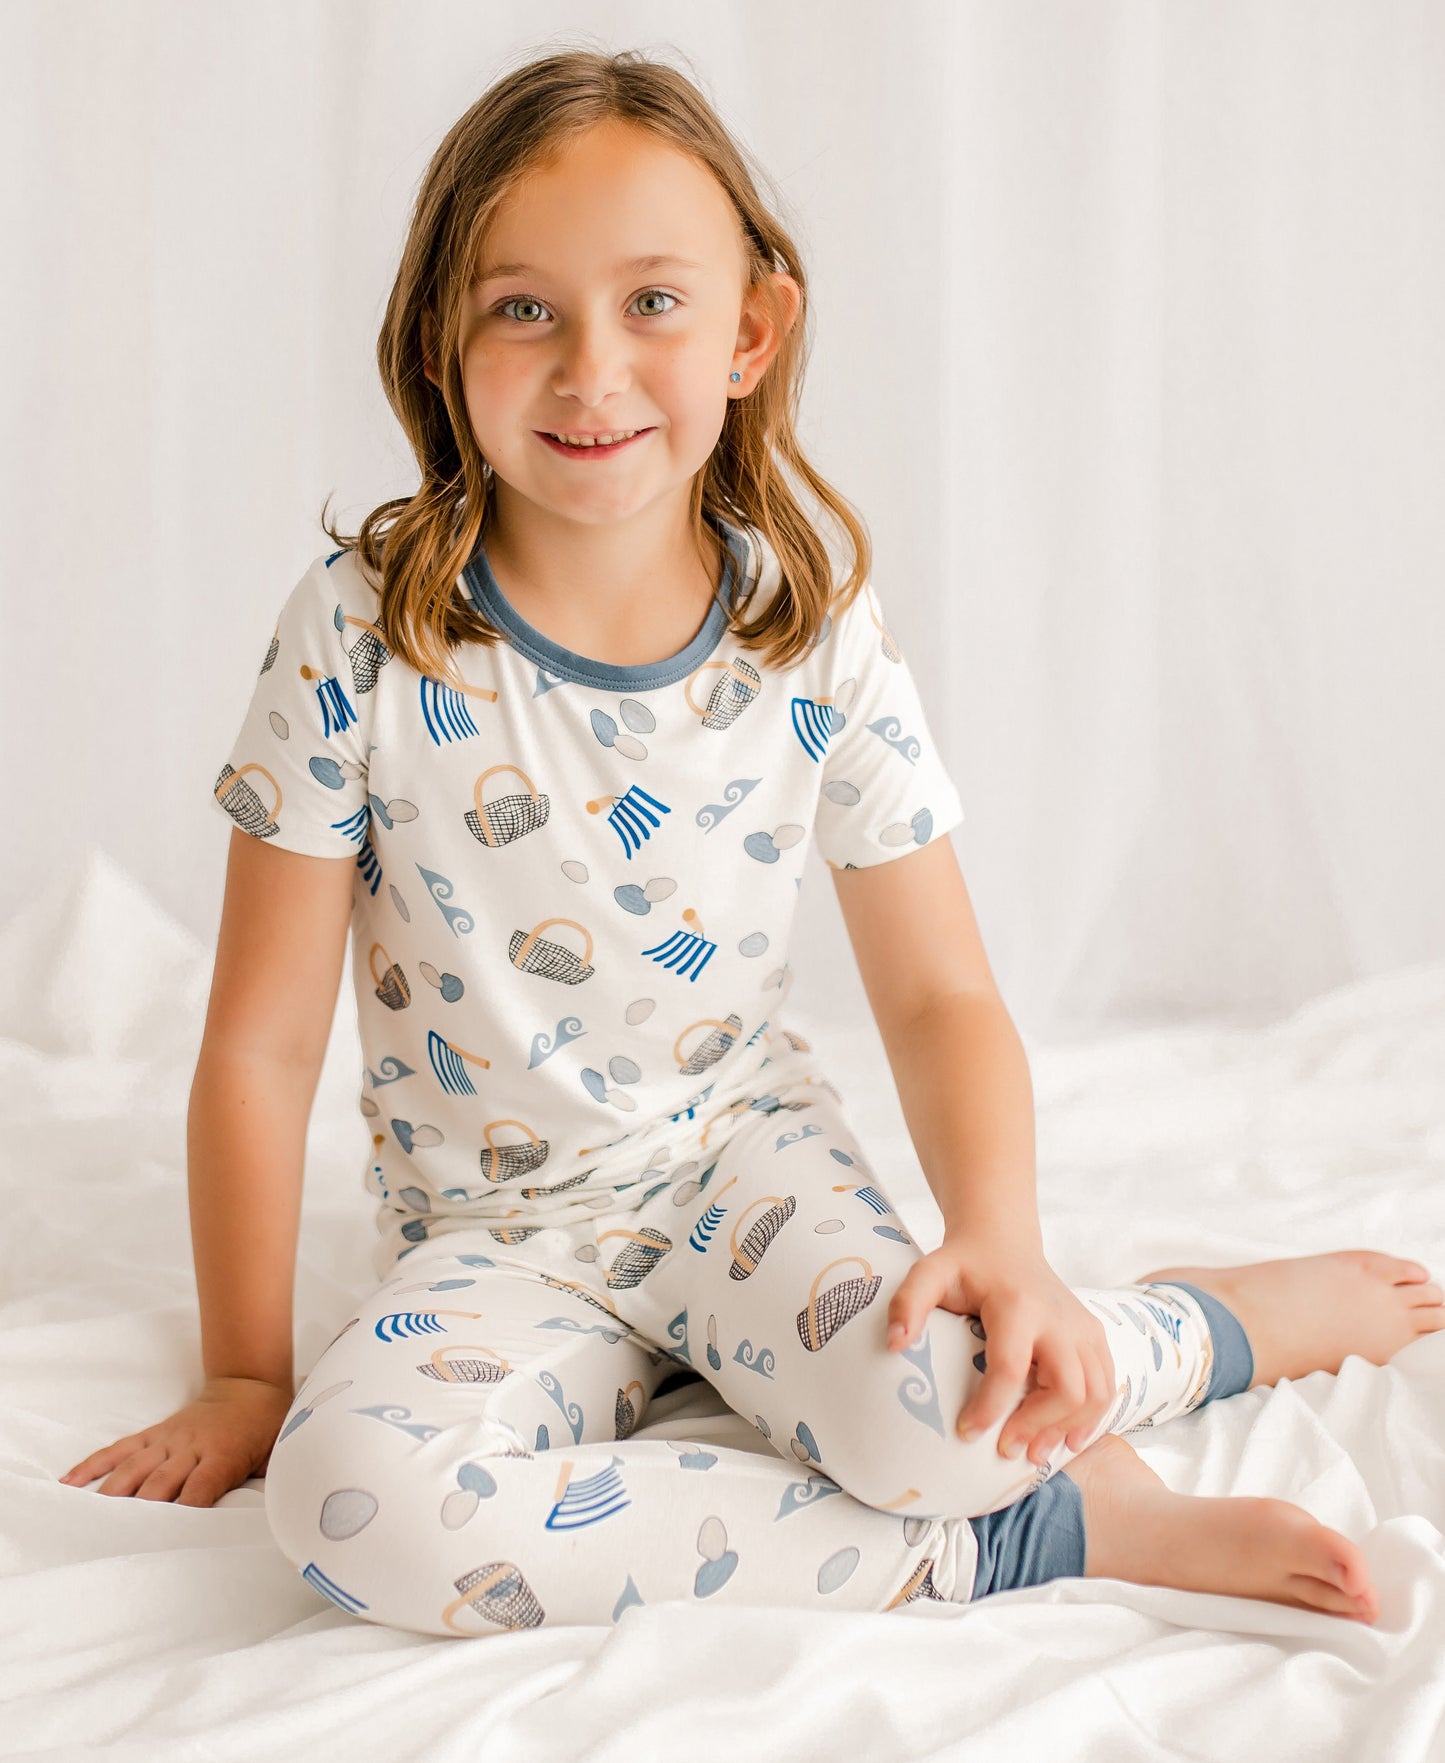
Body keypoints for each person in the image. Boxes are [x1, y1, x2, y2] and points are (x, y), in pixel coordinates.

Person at [58, 48, 1443, 1639]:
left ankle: (1180, 1337)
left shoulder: (809, 630)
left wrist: (999, 1241)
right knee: (352, 1510)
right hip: (495, 1240)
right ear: (442, 341)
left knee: (940, 1407)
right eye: (523, 309)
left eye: (653, 302)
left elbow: (937, 999)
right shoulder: (357, 639)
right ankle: (1040, 1530)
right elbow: (258, 1038)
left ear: (748, 332)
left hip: (741, 1172)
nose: (591, 369)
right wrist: (246, 1373)